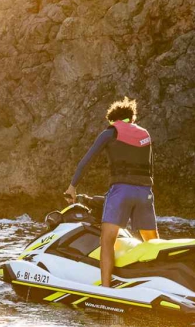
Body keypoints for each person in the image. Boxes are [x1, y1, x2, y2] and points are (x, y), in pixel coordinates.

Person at [64, 97, 158, 289]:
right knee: (154, 243)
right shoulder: (145, 134)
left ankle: (106, 289)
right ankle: (158, 283)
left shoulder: (110, 132)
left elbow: (86, 161)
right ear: (132, 118)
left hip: (121, 191)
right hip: (145, 192)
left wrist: (72, 187)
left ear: (113, 119)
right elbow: (150, 168)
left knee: (107, 240)